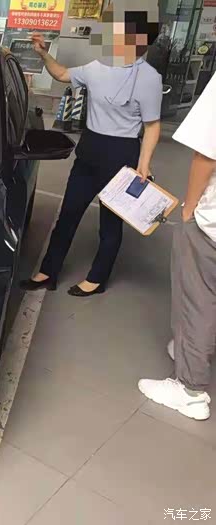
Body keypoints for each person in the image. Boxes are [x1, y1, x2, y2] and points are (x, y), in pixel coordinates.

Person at [20, 5, 163, 297]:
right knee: (68, 213)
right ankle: (48, 272)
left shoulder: (149, 78)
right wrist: (44, 54)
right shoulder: (97, 67)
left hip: (122, 153)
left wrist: (144, 163)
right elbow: (62, 73)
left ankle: (97, 278)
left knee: (110, 223)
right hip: (90, 149)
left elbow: (152, 125)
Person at [138, 74, 216, 421]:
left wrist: (189, 209)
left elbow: (207, 154)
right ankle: (192, 350)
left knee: (196, 299)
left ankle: (190, 390)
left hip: (212, 225)